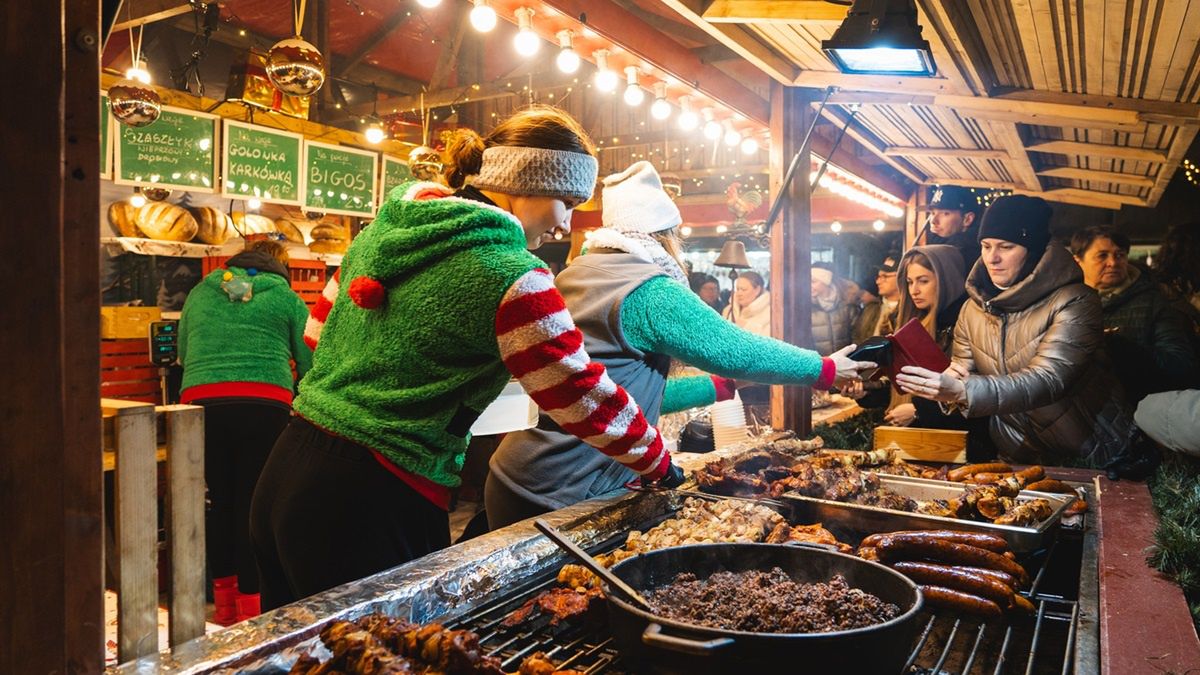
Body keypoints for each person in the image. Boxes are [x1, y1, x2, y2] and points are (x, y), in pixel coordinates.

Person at [249, 107, 683, 611]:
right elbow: (580, 393)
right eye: (566, 202)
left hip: (286, 468)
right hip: (373, 496)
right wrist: (659, 464)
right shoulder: (513, 274)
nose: (566, 224)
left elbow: (317, 332)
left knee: (292, 660)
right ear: (529, 182)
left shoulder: (380, 234)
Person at [485, 161, 875, 529]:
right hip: (565, 488)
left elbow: (619, 397)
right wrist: (822, 369)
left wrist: (718, 388)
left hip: (519, 475)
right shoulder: (647, 288)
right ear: (664, 235)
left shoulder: (577, 275)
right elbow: (733, 349)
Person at [896, 195, 1134, 467]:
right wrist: (944, 390)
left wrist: (964, 391)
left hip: (1091, 453)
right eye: (985, 246)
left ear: (1032, 249)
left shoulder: (1076, 300)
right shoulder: (972, 308)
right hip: (1016, 455)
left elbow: (1049, 379)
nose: (992, 258)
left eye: (1006, 247)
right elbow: (962, 373)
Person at [178, 239, 313, 624]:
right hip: (263, 404)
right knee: (253, 506)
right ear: (280, 265)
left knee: (220, 503)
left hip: (202, 403)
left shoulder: (201, 292)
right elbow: (309, 359)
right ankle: (252, 613)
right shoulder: (285, 297)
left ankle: (223, 612)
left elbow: (185, 354)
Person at [1070, 226, 1199, 400]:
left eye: (1120, 255)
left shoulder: (1154, 301)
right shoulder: (1066, 305)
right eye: (1102, 255)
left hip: (1139, 411)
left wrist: (1121, 347)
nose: (1113, 263)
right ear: (1078, 261)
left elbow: (1181, 365)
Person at [923, 185, 983, 271]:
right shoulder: (938, 247)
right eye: (932, 213)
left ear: (968, 219)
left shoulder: (962, 255)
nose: (933, 221)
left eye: (945, 213)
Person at [852, 252, 901, 345]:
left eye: (885, 276)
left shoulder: (908, 311)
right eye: (878, 277)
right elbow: (857, 338)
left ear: (900, 278)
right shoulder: (871, 308)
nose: (878, 281)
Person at [811, 265, 859, 355]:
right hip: (820, 365)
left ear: (825, 281)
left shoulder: (847, 305)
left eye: (813, 281)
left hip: (846, 362)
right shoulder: (807, 308)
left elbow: (857, 336)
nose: (809, 285)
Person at [722, 270, 770, 336]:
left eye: (743, 289)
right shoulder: (728, 311)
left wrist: (747, 326)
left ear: (757, 290)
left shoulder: (769, 314)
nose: (739, 293)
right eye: (738, 289)